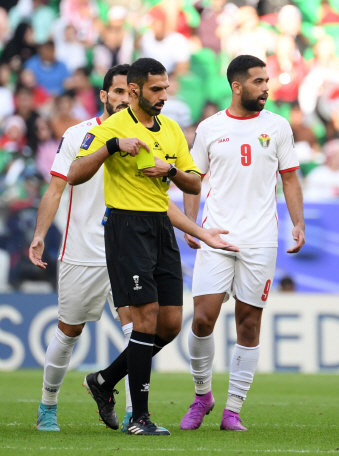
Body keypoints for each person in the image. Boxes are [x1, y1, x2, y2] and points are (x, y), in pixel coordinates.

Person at [67, 57, 235, 436]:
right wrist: (113, 146)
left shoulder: (172, 129)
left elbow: (194, 182)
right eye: (156, 89)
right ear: (134, 90)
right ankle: (139, 418)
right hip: (126, 226)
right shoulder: (112, 127)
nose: (164, 95)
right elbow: (75, 174)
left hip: (161, 226)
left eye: (165, 88)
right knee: (145, 318)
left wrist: (169, 170)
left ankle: (103, 381)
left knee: (170, 324)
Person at [180, 55, 305, 432]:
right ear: (237, 86)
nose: (266, 88)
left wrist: (298, 223)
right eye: (258, 81)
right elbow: (192, 180)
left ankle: (232, 410)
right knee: (203, 319)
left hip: (261, 239)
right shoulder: (210, 128)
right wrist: (191, 225)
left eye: (266, 81)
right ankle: (202, 396)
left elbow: (290, 178)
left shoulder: (278, 126)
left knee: (248, 324)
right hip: (216, 236)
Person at [29, 64, 133, 432]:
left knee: (138, 332)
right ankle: (48, 406)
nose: (124, 98)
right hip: (82, 250)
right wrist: (40, 234)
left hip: (127, 252)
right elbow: (56, 188)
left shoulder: (145, 135)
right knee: (69, 331)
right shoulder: (78, 134)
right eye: (117, 91)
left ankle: (136, 413)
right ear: (104, 95)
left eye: (130, 92)